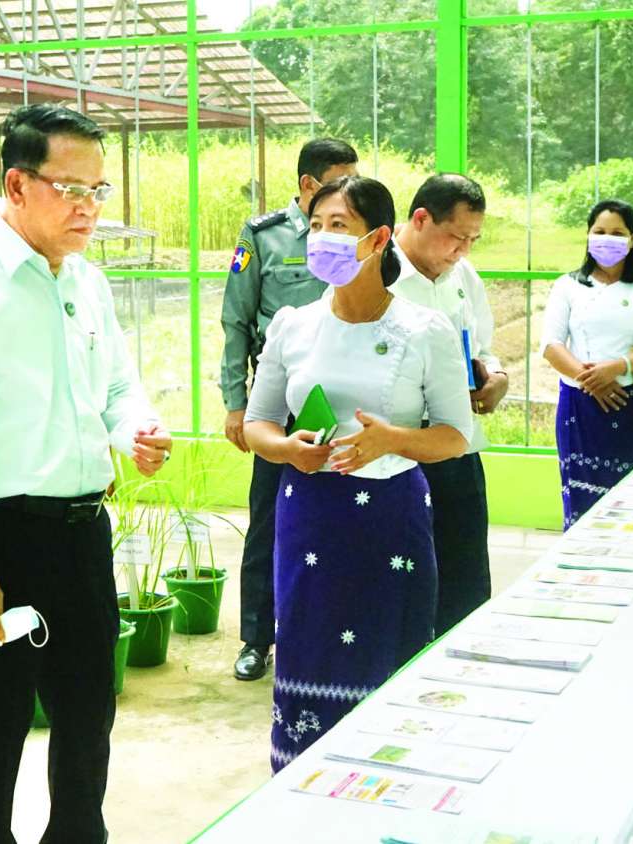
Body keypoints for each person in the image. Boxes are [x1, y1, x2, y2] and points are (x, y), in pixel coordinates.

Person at [0, 104, 171, 844]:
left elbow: (116, 386)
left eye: (98, 190)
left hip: (82, 532)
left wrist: (135, 430)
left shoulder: (86, 281)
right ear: (16, 186)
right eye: (70, 189)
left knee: (87, 716)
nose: (89, 207)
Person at [243, 176, 472, 771]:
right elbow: (258, 423)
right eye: (316, 225)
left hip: (390, 520)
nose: (322, 238)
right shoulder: (293, 324)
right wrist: (286, 449)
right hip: (309, 516)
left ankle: (386, 781)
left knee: (387, 648)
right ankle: (300, 778)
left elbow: (456, 435)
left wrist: (392, 440)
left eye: (339, 226)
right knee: (309, 646)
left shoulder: (424, 330)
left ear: (377, 239)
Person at [220, 137, 359, 682]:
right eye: (339, 179)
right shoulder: (264, 236)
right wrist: (236, 404)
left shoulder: (357, 232)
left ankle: (328, 628)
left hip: (346, 395)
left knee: (340, 512)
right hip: (279, 400)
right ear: (308, 184)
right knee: (268, 519)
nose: (348, 190)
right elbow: (236, 320)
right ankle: (257, 638)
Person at [391, 173, 507, 635]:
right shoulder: (374, 274)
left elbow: (483, 346)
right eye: (457, 237)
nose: (463, 250)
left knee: (465, 576)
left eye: (473, 240)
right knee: (404, 576)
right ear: (421, 219)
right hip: (397, 449)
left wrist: (496, 377)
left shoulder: (463, 276)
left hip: (458, 443)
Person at [540, 199, 633, 529]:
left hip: (628, 405)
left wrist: (615, 369)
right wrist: (591, 381)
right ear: (588, 235)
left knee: (629, 501)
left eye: (617, 233)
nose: (607, 239)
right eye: (599, 231)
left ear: (632, 239)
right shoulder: (568, 285)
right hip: (578, 405)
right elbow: (551, 346)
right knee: (581, 499)